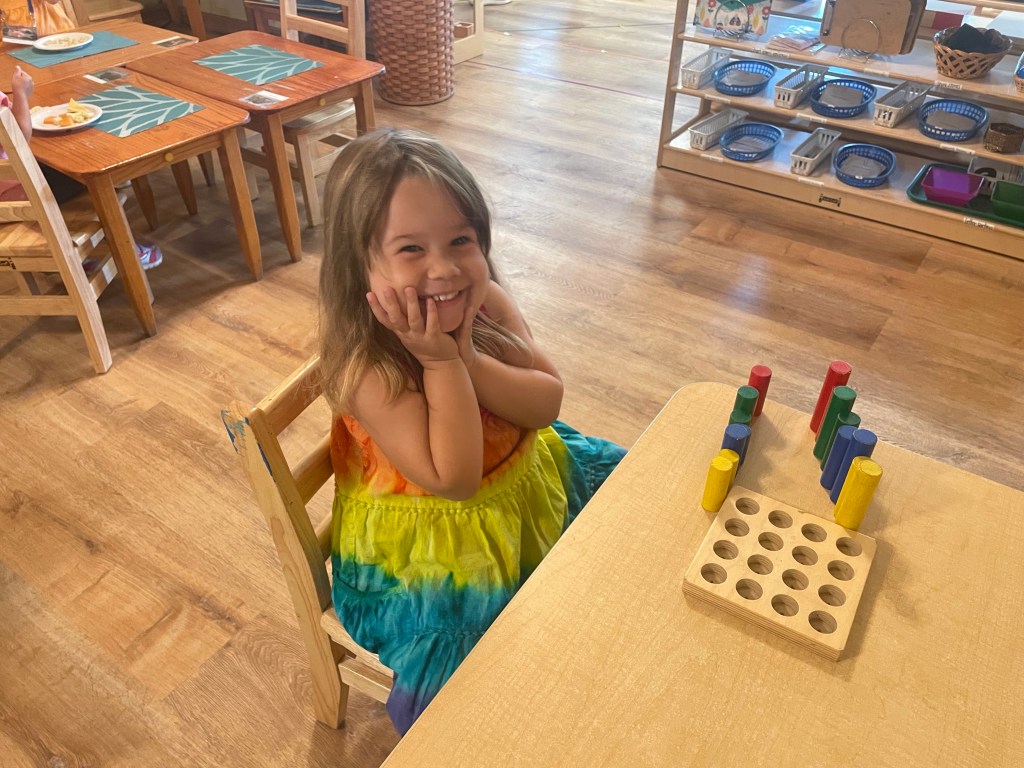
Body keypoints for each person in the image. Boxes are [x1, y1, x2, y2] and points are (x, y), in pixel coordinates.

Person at [318, 127, 626, 734]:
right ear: (359, 268)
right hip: (435, 562)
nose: (446, 267)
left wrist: (468, 357)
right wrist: (440, 365)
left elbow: (545, 404)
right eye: (411, 249)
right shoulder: (367, 369)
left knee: (625, 531)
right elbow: (454, 478)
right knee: (480, 701)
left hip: (525, 500)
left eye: (461, 240)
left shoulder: (490, 308)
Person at [0, 66, 163, 270]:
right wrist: (21, 94)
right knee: (86, 168)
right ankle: (124, 252)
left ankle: (71, 259)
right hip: (16, 196)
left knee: (63, 164)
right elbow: (17, 138)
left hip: (10, 188)